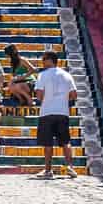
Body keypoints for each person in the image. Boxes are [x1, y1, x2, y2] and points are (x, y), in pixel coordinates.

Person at [33, 49, 78, 179]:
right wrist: (63, 99)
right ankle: (70, 167)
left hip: (47, 112)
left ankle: (48, 170)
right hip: (63, 112)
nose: (42, 62)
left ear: (49, 60)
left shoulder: (43, 75)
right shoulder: (67, 75)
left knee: (48, 143)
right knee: (65, 141)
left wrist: (48, 99)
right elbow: (74, 95)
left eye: (43, 59)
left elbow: (39, 95)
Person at [0, 43, 36, 110]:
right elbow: (15, 77)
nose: (7, 56)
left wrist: (23, 76)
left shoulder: (22, 60)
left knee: (16, 86)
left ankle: (29, 99)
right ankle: (21, 100)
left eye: (7, 54)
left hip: (29, 81)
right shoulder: (12, 62)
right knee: (10, 85)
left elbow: (33, 70)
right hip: (20, 83)